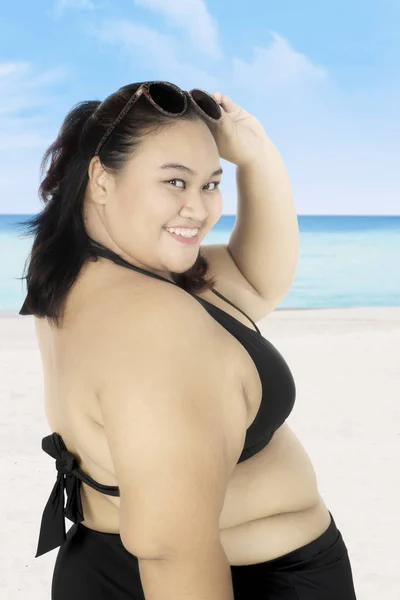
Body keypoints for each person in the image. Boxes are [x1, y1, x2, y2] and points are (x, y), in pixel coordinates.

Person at [18, 81, 357, 599]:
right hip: (249, 581)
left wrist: (256, 157)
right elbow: (172, 550)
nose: (200, 209)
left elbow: (256, 278)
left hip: (107, 566)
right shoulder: (153, 322)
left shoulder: (86, 270)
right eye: (175, 182)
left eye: (211, 183)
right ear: (101, 179)